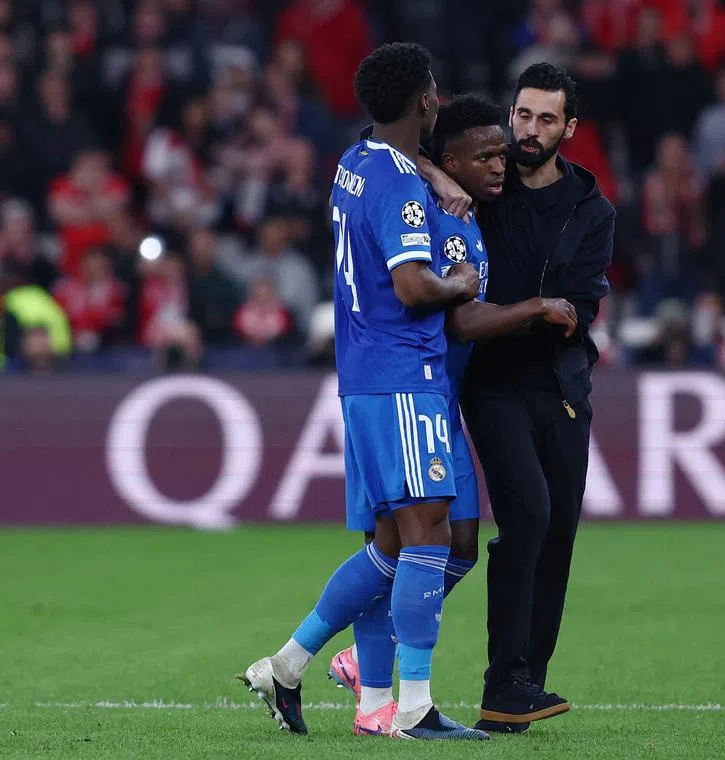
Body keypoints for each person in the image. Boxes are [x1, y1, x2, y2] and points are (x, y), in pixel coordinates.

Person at [238, 42, 489, 741]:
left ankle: (287, 664)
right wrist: (460, 285)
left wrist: (428, 169)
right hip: (404, 374)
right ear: (426, 102)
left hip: (363, 378)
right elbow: (413, 288)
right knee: (429, 533)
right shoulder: (402, 188)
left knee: (388, 543)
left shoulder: (355, 165)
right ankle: (412, 706)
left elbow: (384, 160)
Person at [323, 93, 579, 736]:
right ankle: (382, 690)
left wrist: (440, 172)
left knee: (448, 542)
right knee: (408, 541)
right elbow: (457, 317)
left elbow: (383, 138)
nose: (499, 165)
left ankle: (327, 664)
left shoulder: (451, 194)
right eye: (486, 156)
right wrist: (534, 307)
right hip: (405, 385)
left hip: (428, 393)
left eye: (502, 153)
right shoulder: (430, 206)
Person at [421, 63, 615, 733]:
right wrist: (443, 177)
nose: (527, 131)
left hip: (561, 386)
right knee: (528, 513)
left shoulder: (591, 211)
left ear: (570, 129)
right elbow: (396, 152)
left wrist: (551, 315)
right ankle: (504, 676)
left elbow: (582, 309)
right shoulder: (482, 182)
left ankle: (520, 686)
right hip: (493, 379)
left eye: (544, 120)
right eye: (522, 115)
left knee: (557, 530)